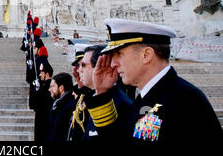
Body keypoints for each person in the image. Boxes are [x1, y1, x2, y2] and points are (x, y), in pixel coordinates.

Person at [86, 18, 223, 144]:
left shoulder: (184, 99)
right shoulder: (151, 96)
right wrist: (102, 93)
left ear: (146, 55)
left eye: (119, 54)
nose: (113, 63)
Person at [68, 44, 132, 143]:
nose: (79, 70)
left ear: (100, 66)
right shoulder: (97, 97)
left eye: (83, 65)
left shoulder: (118, 103)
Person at [46, 72, 76, 141]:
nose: (49, 89)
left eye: (52, 86)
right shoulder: (58, 104)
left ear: (61, 88)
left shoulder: (69, 107)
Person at [33, 61, 55, 141]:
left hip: (44, 123)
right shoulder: (44, 86)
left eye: (41, 73)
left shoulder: (48, 87)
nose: (39, 75)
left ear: (47, 74)